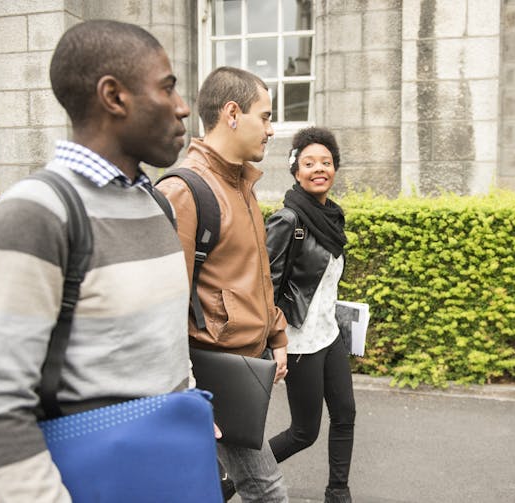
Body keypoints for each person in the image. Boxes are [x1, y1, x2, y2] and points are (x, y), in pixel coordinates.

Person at [0, 20, 192, 501]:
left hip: (169, 473)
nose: (183, 107)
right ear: (114, 97)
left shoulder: (158, 205)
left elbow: (162, 353)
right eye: (168, 87)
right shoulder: (33, 215)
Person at [156, 66, 289, 503]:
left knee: (199, 486)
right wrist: (189, 390)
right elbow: (164, 305)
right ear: (232, 113)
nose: (271, 129)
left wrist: (276, 334)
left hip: (245, 371)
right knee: (267, 491)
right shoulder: (186, 190)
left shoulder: (242, 183)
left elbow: (255, 274)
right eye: (265, 117)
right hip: (212, 379)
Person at [266, 127, 356, 503]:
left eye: (326, 162)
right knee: (304, 432)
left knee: (346, 415)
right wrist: (276, 341)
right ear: (296, 170)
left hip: (329, 334)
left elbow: (323, 284)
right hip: (299, 339)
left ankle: (338, 492)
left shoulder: (332, 218)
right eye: (309, 162)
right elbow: (265, 285)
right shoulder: (288, 220)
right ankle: (230, 476)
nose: (319, 168)